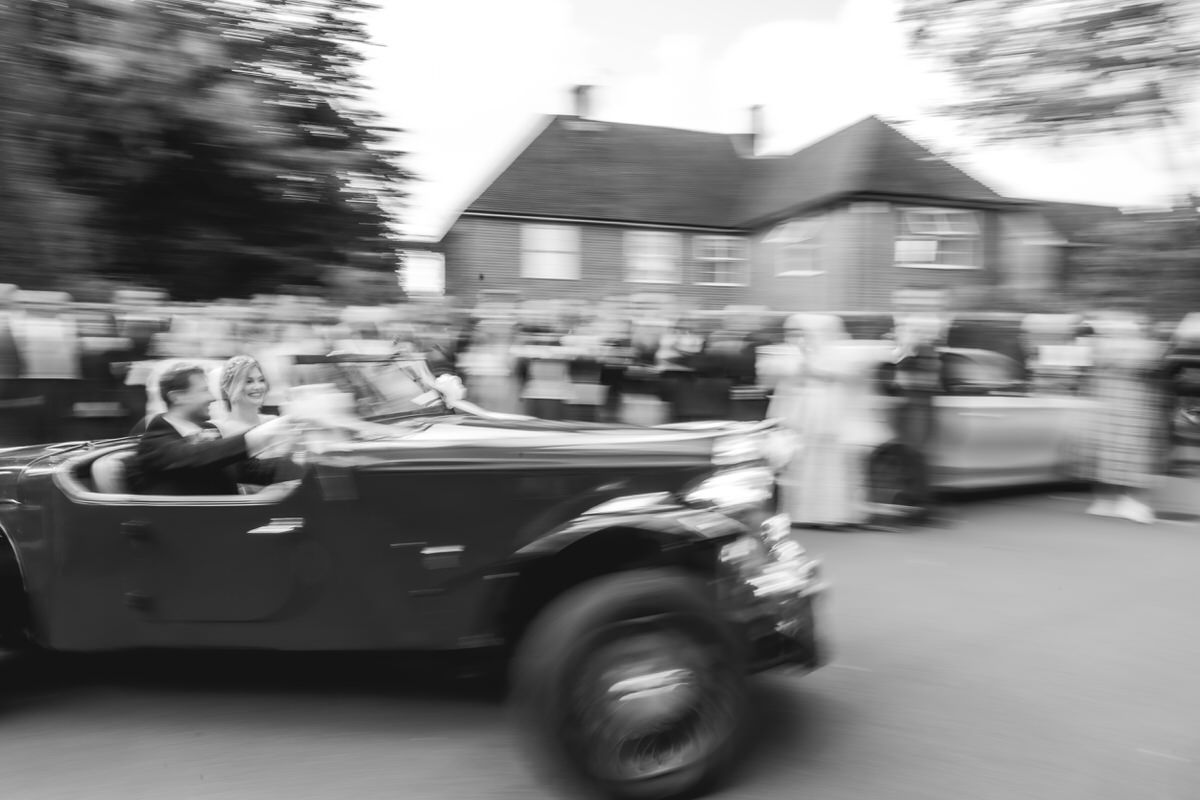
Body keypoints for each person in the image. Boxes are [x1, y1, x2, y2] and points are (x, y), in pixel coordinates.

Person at [770, 314, 875, 528]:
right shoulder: (799, 355)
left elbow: (845, 380)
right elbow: (784, 383)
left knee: (829, 469)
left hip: (828, 419)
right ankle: (804, 513)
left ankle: (832, 514)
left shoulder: (838, 356)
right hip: (804, 419)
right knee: (802, 466)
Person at [127, 363, 296, 496]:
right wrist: (270, 431)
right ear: (177, 397)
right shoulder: (154, 442)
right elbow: (198, 455)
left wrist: (304, 466)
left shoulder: (207, 430)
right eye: (204, 390)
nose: (212, 398)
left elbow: (250, 470)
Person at [1080, 315, 1167, 524]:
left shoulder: (1102, 349)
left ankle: (1106, 501)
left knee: (1109, 454)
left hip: (1110, 407)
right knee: (1130, 454)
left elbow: (1094, 373)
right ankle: (1130, 503)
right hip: (1130, 408)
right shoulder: (1140, 350)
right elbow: (1151, 367)